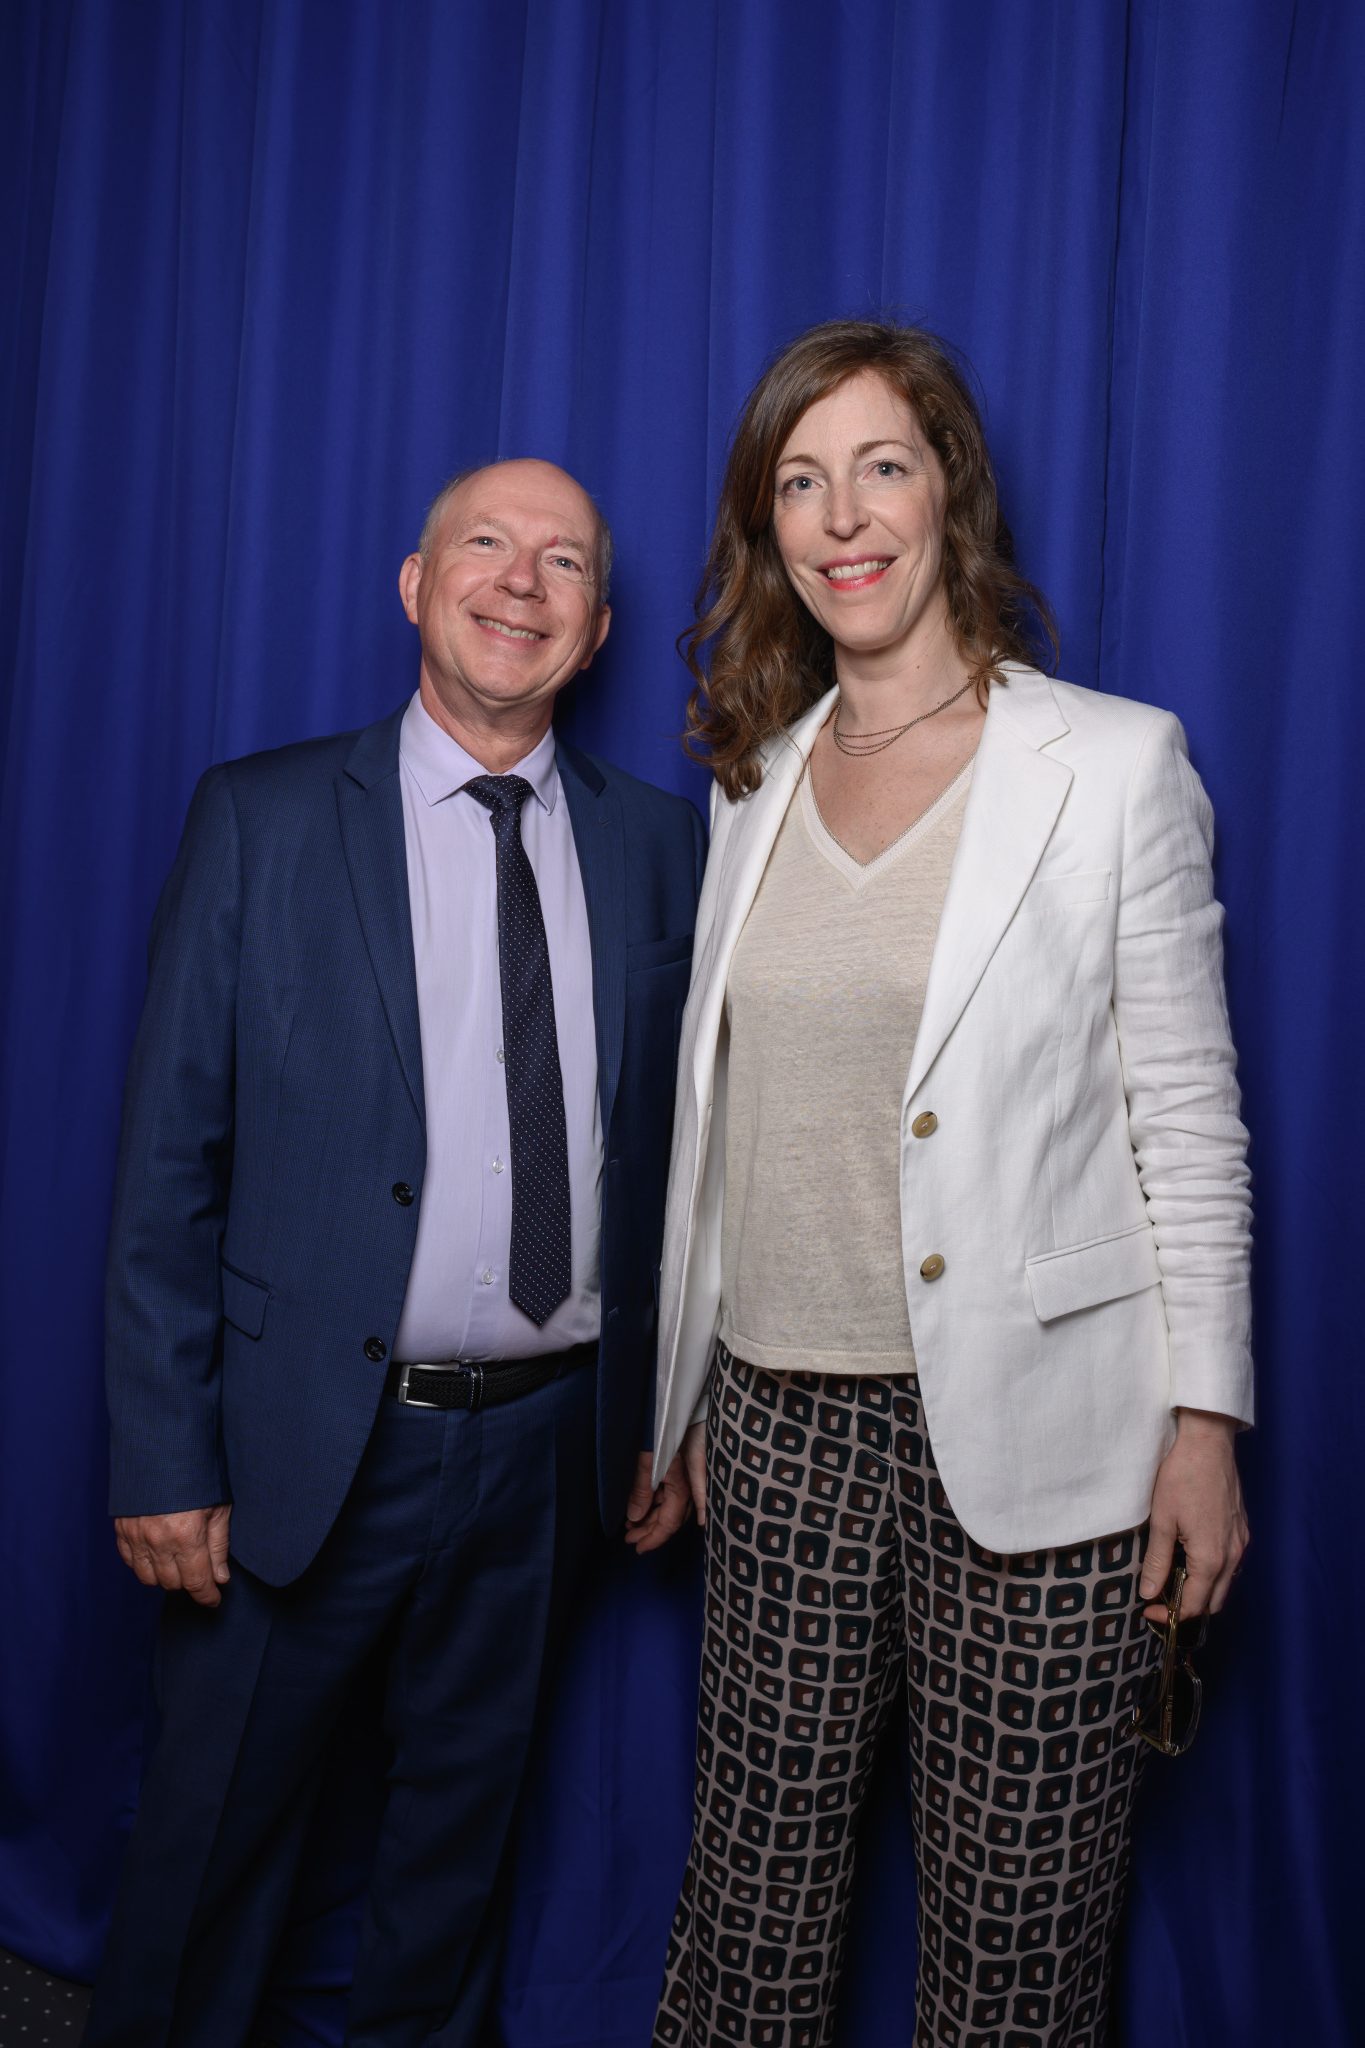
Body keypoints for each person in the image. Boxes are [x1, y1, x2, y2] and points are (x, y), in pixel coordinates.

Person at [640, 323, 1252, 2048]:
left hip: (1044, 1431)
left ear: (948, 492)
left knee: (1014, 1943)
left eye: (881, 465)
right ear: (769, 530)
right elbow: (730, 1122)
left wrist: (1202, 1421)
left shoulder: (1114, 765)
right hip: (777, 1427)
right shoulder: (745, 784)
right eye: (799, 480)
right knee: (747, 1916)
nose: (843, 516)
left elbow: (1189, 1121)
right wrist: (686, 1391)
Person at [87, 458, 704, 2048]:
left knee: (454, 1861)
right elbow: (170, 1165)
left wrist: (665, 1411)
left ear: (600, 625)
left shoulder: (660, 851)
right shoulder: (264, 816)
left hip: (544, 1456)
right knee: (209, 1857)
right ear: (415, 586)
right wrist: (164, 1454)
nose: (521, 582)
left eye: (561, 562)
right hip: (298, 1451)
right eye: (484, 547)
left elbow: (683, 1168)